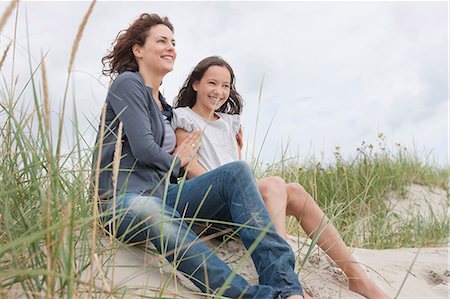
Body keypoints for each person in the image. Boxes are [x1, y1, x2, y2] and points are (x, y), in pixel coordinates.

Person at [93, 13, 308, 299]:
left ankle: (287, 286)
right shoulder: (128, 84)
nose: (171, 47)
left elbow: (171, 168)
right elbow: (145, 150)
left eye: (173, 42)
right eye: (161, 41)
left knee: (237, 171)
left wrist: (204, 158)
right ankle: (256, 296)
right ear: (138, 49)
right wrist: (177, 161)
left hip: (164, 196)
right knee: (153, 211)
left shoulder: (166, 108)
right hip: (123, 201)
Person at [171, 56, 390, 299]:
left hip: (239, 203)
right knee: (275, 183)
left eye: (226, 86)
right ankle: (283, 276)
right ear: (195, 84)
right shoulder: (184, 118)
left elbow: (234, 165)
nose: (219, 91)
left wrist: (240, 158)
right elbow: (190, 165)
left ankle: (358, 278)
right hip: (212, 205)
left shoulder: (229, 123)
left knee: (294, 190)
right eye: (212, 83)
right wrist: (235, 188)